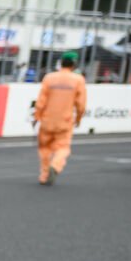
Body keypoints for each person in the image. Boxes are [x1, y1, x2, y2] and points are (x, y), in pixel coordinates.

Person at [32, 52, 87, 184]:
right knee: (63, 147)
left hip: (47, 120)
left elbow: (41, 101)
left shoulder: (49, 78)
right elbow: (81, 104)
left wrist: (37, 116)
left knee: (44, 147)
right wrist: (78, 119)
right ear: (74, 64)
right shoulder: (78, 79)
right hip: (65, 121)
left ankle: (44, 174)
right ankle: (55, 165)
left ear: (61, 62)